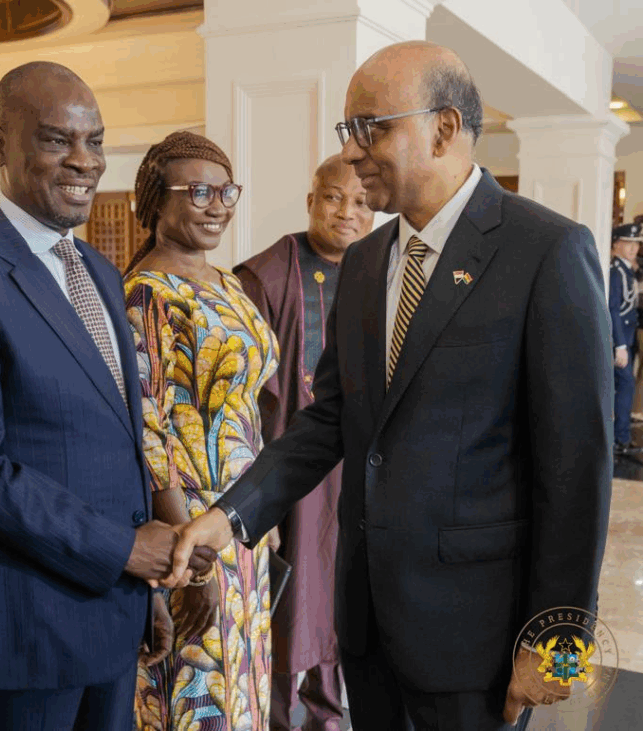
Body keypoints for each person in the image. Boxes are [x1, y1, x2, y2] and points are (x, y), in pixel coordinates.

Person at [165, 41, 613, 731]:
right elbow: (329, 419)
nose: (352, 152)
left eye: (370, 128)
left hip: (479, 643)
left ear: (443, 128)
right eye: (348, 130)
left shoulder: (546, 251)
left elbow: (576, 468)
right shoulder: (367, 261)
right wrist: (231, 516)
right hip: (367, 628)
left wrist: (555, 643)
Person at [0, 63, 213, 731]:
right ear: (0, 147)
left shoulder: (98, 268)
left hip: (113, 610)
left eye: (94, 141)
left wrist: (143, 591)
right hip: (26, 628)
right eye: (56, 140)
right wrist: (124, 549)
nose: (85, 160)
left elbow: (117, 438)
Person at [124, 130, 279, 731]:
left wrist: (263, 509)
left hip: (240, 522)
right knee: (197, 696)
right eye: (198, 192)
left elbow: (248, 408)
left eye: (226, 191)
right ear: (155, 201)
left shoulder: (227, 283)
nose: (218, 206)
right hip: (191, 525)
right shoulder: (147, 294)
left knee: (243, 690)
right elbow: (149, 430)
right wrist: (188, 559)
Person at [234, 154, 374, 731]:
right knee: (291, 603)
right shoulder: (265, 276)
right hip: (290, 469)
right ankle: (277, 719)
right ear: (312, 200)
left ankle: (329, 718)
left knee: (344, 599)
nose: (347, 212)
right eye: (335, 197)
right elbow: (245, 395)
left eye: (362, 202)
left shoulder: (380, 270)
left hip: (359, 467)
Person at [611, 221, 643, 455]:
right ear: (616, 244)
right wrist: (620, 345)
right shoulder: (616, 271)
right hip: (620, 339)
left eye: (636, 244)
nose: (634, 248)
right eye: (628, 243)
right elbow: (613, 309)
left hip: (627, 336)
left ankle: (619, 436)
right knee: (626, 386)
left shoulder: (626, 269)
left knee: (622, 386)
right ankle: (620, 438)